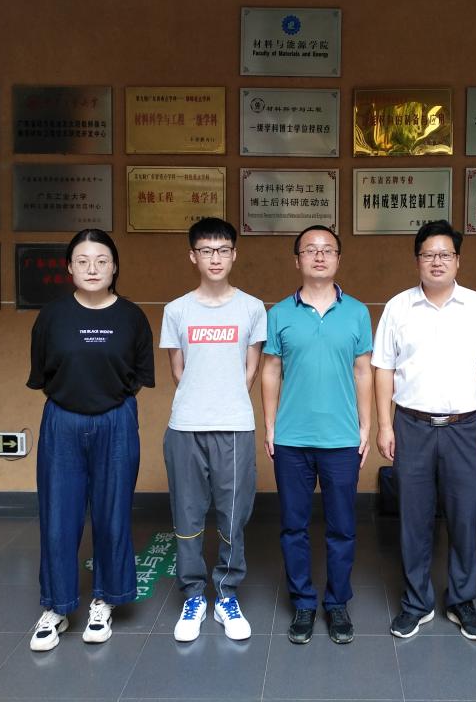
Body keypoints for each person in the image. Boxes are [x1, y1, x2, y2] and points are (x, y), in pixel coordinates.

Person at [373, 219, 476, 641]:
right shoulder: (398, 308)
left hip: (465, 428)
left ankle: (462, 600)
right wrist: (384, 425)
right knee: (413, 519)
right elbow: (383, 369)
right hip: (411, 425)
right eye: (428, 254)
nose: (437, 261)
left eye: (445, 254)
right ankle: (417, 603)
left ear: (458, 260)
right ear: (417, 260)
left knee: (465, 516)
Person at [26, 229, 154, 651]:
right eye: (82, 261)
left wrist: (108, 403)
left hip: (116, 421)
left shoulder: (132, 317)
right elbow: (42, 373)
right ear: (69, 267)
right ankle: (57, 606)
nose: (92, 268)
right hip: (62, 421)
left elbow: (138, 374)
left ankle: (105, 600)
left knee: (112, 514)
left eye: (101, 260)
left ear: (115, 267)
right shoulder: (52, 316)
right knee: (58, 516)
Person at [261, 225, 373, 645]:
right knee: (294, 526)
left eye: (327, 249)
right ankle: (304, 603)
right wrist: (270, 424)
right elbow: (270, 370)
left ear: (338, 259)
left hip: (342, 439)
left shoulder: (357, 312)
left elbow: (363, 371)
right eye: (310, 249)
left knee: (342, 527)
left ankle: (337, 602)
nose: (319, 256)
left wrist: (366, 426)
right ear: (297, 261)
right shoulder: (279, 313)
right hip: (291, 439)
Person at [159, 217, 266, 642]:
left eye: (222, 250)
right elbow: (178, 370)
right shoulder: (176, 310)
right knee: (187, 516)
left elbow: (251, 368)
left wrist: (226, 399)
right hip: (185, 426)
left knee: (233, 515)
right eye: (206, 251)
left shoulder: (252, 308)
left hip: (235, 426)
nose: (215, 258)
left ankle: (225, 593)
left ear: (234, 254)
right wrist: (201, 401)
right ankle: (193, 596)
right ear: (193, 256)